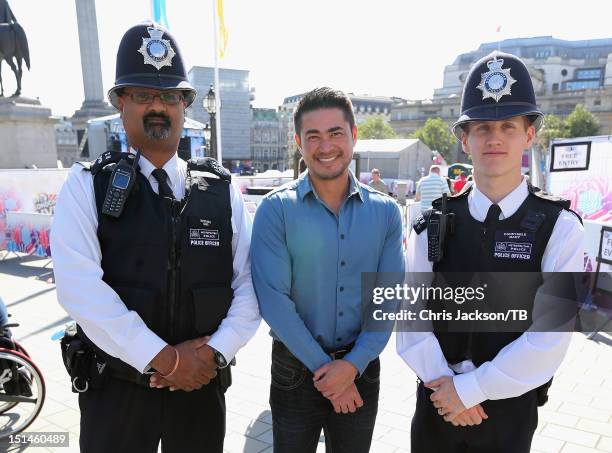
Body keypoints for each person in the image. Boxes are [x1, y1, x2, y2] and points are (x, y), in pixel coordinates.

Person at [51, 23, 260, 453]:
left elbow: (250, 286)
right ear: (121, 104)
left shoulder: (221, 191)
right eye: (143, 95)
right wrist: (168, 360)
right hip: (117, 396)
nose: (158, 107)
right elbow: (80, 288)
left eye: (169, 97)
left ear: (185, 105)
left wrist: (210, 356)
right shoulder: (86, 185)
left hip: (200, 391)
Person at [397, 51, 584, 453]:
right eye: (481, 127)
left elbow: (550, 336)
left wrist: (472, 389)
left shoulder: (560, 228)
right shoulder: (431, 221)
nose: (494, 138)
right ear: (464, 139)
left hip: (507, 411)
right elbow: (410, 321)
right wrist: (450, 392)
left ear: (529, 135)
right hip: (436, 402)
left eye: (508, 125)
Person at [251, 87, 405, 453]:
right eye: (313, 136)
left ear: (353, 135)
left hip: (361, 368)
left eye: (335, 133)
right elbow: (274, 301)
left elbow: (388, 300)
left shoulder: (386, 213)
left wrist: (351, 367)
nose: (325, 146)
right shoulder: (276, 210)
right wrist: (330, 373)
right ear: (298, 142)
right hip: (294, 370)